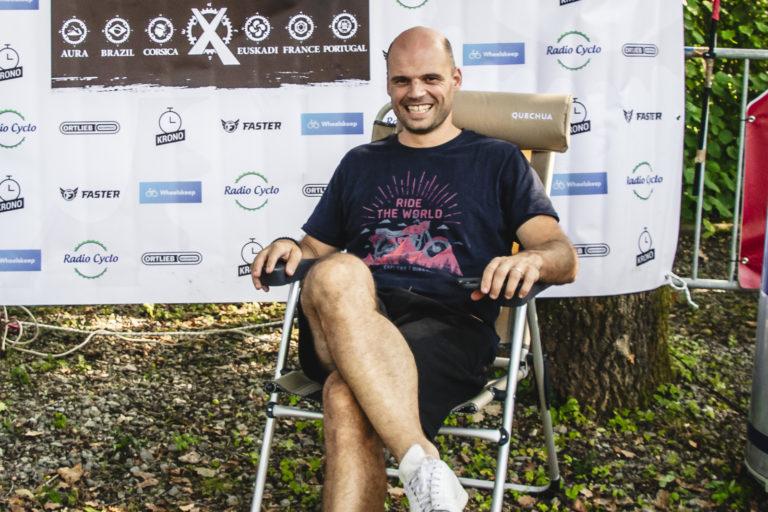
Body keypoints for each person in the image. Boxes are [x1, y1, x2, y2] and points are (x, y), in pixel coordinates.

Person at [252, 26, 578, 512]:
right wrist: (287, 246)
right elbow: (313, 248)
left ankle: (416, 467)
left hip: (451, 327)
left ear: (455, 79)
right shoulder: (360, 162)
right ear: (389, 85)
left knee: (345, 395)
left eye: (430, 78)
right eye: (402, 80)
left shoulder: (498, 161)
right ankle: (421, 462)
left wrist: (532, 258)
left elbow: (562, 256)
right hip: (353, 318)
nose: (416, 92)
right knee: (338, 271)